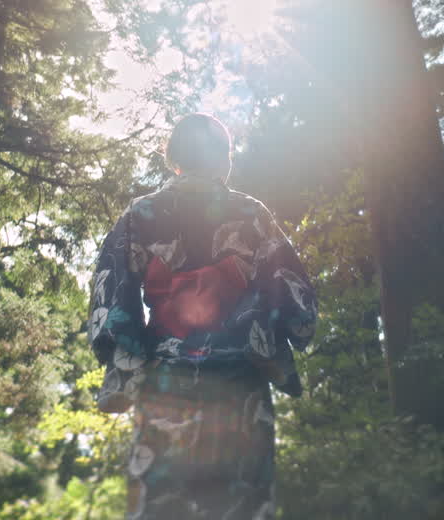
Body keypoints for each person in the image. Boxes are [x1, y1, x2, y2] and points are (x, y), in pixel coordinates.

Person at [87, 113, 317, 520]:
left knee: (164, 503)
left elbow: (113, 297)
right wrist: (276, 332)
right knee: (240, 502)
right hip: (239, 383)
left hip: (164, 381)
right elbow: (293, 295)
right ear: (224, 159)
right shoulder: (252, 215)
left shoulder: (140, 215)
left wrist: (129, 358)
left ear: (173, 158)